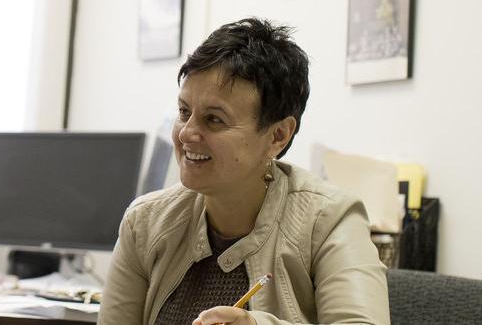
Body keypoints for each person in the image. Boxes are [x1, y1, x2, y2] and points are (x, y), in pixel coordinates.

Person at [98, 18, 390, 325]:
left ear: (277, 136)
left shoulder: (329, 221)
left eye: (214, 119)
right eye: (184, 112)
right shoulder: (145, 223)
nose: (186, 134)